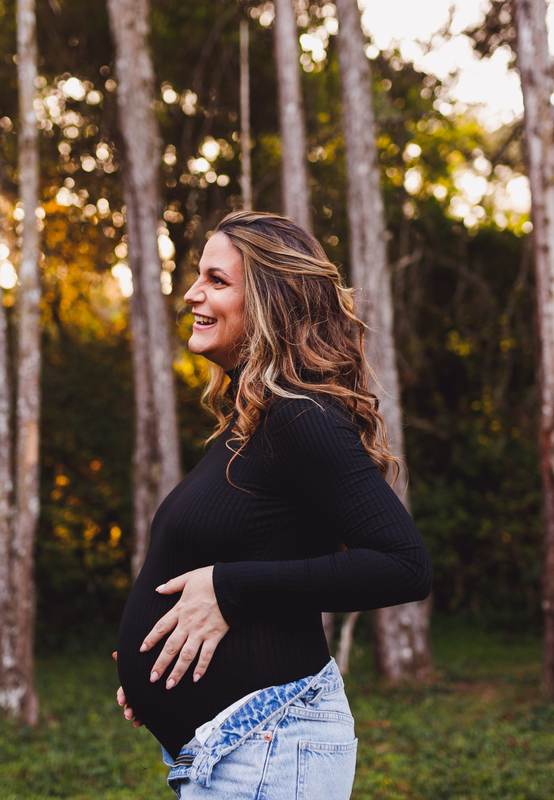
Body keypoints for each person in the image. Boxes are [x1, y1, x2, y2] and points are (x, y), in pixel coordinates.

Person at [113, 211, 432, 799]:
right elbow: (251, 553)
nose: (192, 294)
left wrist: (229, 589)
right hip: (234, 749)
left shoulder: (300, 417)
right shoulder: (252, 422)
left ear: (267, 301)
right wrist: (159, 648)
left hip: (268, 746)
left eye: (216, 279)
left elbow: (404, 564)